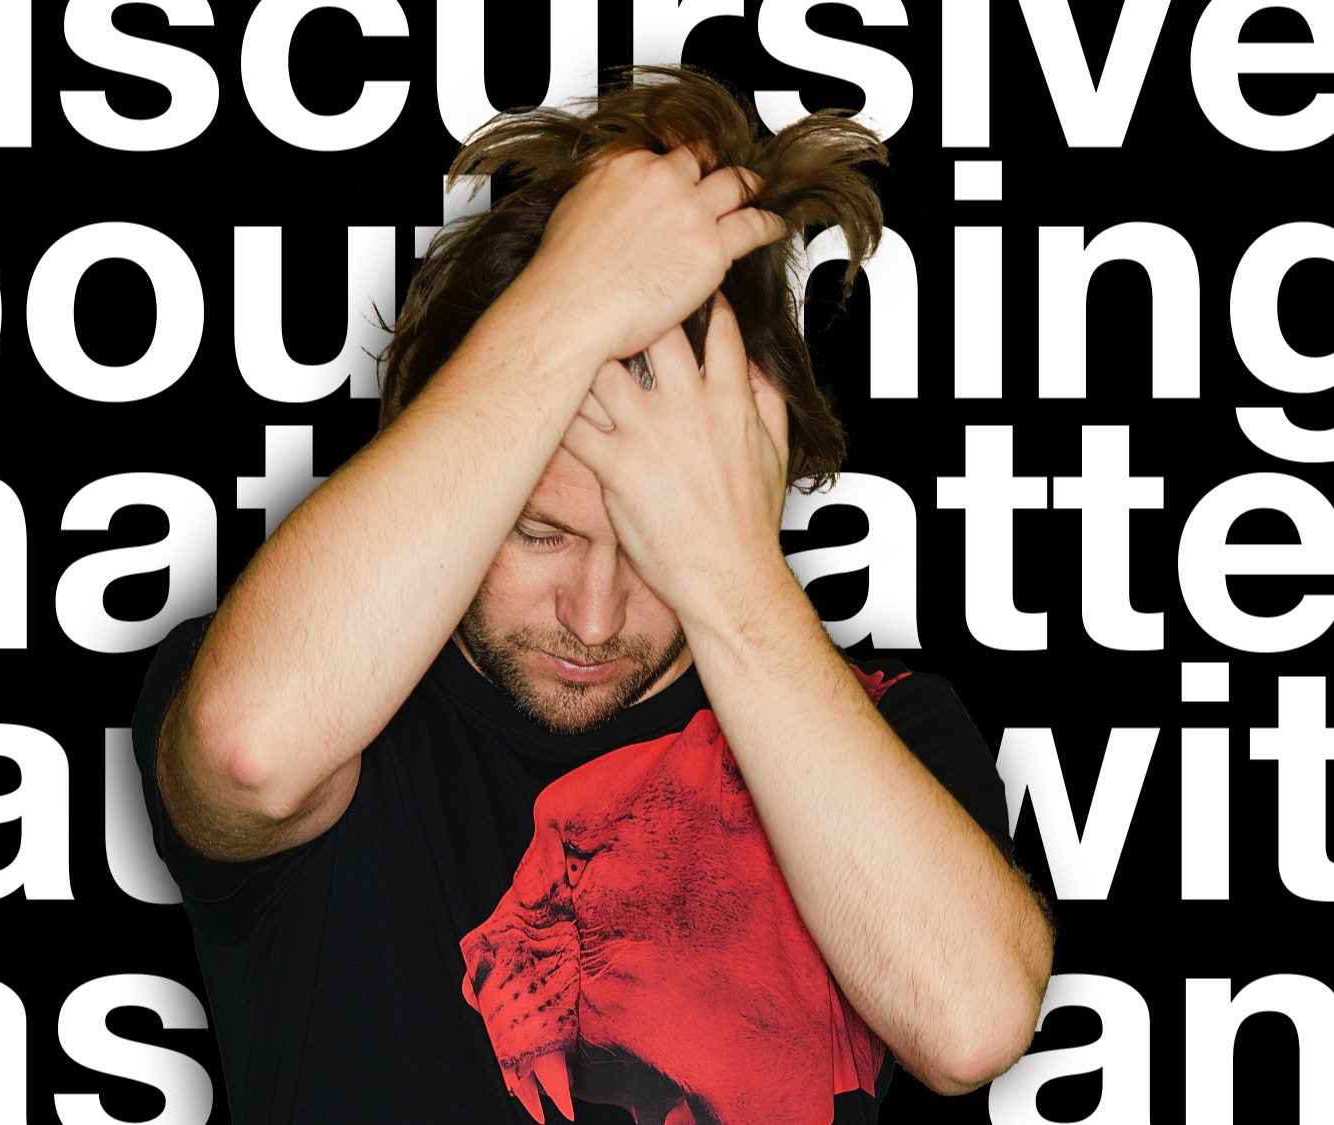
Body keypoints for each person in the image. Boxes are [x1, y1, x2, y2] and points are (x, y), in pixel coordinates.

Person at [135, 67, 1053, 1125]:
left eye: (653, 549)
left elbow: (971, 1023)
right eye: (539, 532)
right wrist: (569, 298)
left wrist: (729, 570)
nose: (595, 616)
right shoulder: (325, 699)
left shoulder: (885, 729)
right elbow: (250, 750)